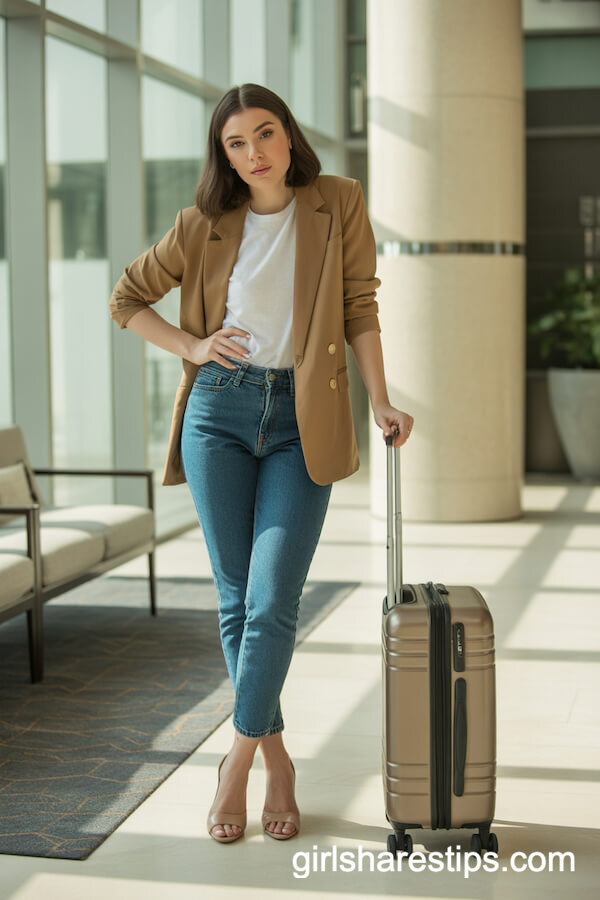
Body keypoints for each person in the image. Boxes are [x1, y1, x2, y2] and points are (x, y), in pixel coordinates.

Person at [109, 82, 414, 844]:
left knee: (273, 598)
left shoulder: (338, 202)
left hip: (301, 422)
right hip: (220, 410)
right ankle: (276, 760)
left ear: (288, 134)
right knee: (237, 599)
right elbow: (127, 298)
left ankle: (237, 760)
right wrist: (191, 345)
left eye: (265, 133)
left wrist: (380, 399)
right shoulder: (202, 224)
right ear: (223, 155)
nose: (254, 153)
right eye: (236, 143)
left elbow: (360, 306)